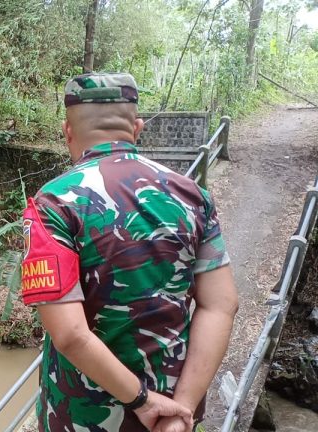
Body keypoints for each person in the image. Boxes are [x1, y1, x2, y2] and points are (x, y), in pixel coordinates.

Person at [20, 72, 238, 432]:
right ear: (136, 129)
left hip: (82, 418)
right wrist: (181, 407)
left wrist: (141, 400)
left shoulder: (53, 204)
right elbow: (221, 304)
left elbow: (71, 334)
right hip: (171, 413)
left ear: (67, 132)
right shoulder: (191, 195)